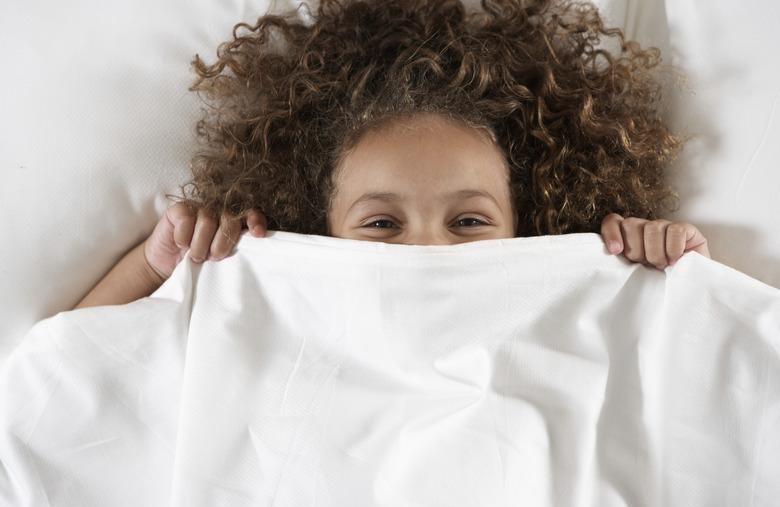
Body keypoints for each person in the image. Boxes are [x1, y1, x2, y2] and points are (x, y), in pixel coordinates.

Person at [74, 0, 709, 310]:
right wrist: (157, 266)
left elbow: (717, 376)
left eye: (469, 222)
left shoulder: (576, 290)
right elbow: (68, 383)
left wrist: (678, 270)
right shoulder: (273, 289)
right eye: (381, 223)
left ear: (530, 223)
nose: (428, 251)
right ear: (317, 227)